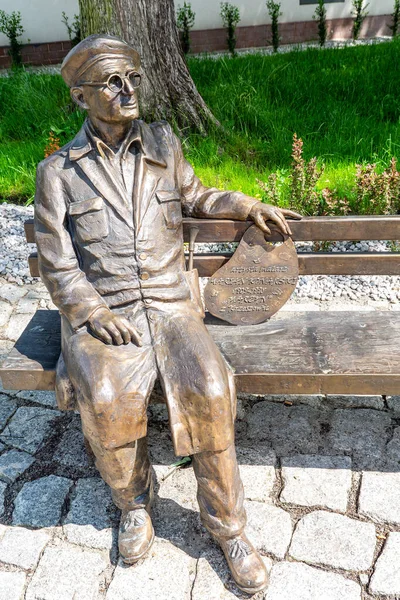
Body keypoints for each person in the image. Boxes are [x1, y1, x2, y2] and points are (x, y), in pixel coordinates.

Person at [34, 34, 300, 595]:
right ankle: (133, 504)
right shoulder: (57, 171)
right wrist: (90, 311)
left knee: (208, 386)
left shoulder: (163, 142)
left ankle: (229, 529)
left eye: (133, 77)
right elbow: (58, 263)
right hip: (107, 310)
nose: (128, 89)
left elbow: (200, 197)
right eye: (113, 81)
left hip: (172, 303)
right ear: (82, 97)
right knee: (106, 399)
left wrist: (248, 206)